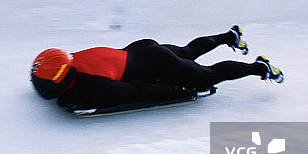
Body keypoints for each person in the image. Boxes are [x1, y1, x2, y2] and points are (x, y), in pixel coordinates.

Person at [30, 25, 283, 110]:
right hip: (142, 48)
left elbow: (138, 94)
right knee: (188, 52)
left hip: (157, 63)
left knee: (208, 77)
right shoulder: (74, 57)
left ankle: (259, 67)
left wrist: (181, 92)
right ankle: (230, 36)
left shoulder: (90, 84)